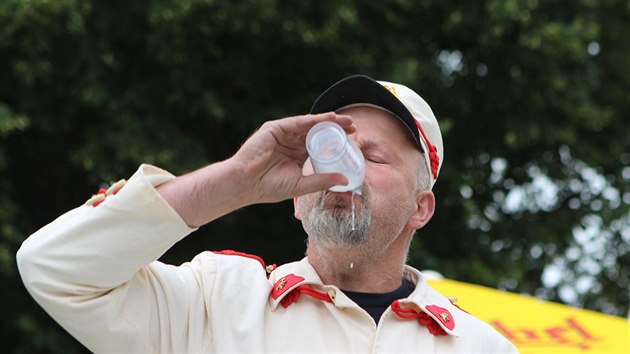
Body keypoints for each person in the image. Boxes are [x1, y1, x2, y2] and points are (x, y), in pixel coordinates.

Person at [17, 75, 519, 353]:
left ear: (421, 207)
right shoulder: (214, 301)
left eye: (374, 155)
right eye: (332, 150)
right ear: (298, 198)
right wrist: (233, 181)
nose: (344, 167)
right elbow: (54, 269)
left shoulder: (480, 347)